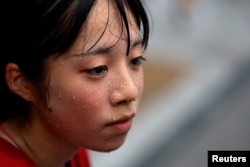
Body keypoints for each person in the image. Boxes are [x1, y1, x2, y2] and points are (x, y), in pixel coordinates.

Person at [0, 0, 149, 166]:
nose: (130, 91)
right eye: (97, 69)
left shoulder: (72, 148)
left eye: (135, 60)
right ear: (22, 83)